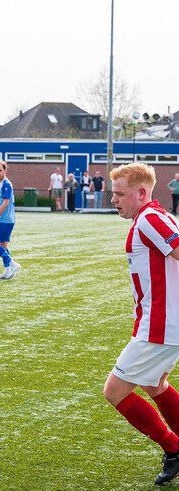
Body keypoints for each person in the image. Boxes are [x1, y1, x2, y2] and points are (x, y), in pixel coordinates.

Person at [102, 162, 179, 486]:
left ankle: (174, 449)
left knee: (115, 391)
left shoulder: (149, 218)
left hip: (163, 325)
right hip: (161, 322)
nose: (114, 199)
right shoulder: (150, 218)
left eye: (120, 193)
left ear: (141, 192)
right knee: (153, 385)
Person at [0, 160, 20, 280]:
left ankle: (13, 264)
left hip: (4, 220)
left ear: (5, 171)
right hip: (9, 220)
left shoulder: (6, 184)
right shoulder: (3, 183)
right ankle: (8, 271)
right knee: (4, 246)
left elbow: (5, 203)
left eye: (0, 170)